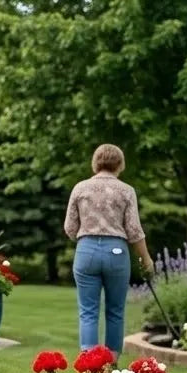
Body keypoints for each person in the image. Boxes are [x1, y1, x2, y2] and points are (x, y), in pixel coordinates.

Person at [64, 143, 154, 354]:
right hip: (116, 251)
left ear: (95, 163)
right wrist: (146, 259)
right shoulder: (126, 191)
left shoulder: (80, 188)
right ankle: (112, 361)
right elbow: (134, 230)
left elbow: (70, 228)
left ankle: (90, 362)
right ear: (120, 164)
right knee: (115, 311)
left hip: (86, 250)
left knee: (88, 312)